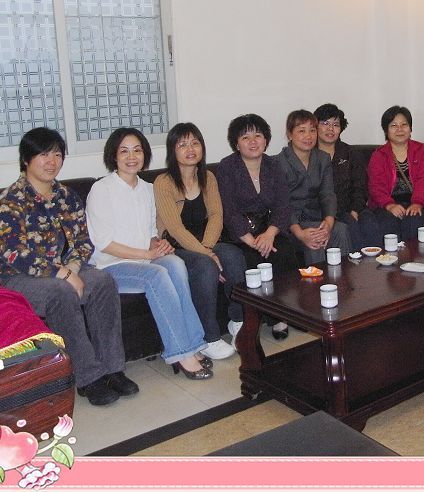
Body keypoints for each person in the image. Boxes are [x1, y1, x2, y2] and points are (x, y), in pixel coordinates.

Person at [0, 127, 137, 406]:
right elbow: (15, 254)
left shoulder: (66, 196)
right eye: (44, 155)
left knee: (103, 281)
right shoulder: (10, 202)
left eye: (57, 155)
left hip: (62, 270)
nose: (52, 161)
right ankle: (88, 377)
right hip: (13, 277)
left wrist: (74, 268)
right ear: (26, 160)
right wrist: (63, 274)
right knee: (61, 292)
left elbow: (83, 242)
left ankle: (112, 368)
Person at [86, 128, 212, 381]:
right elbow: (104, 243)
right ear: (113, 156)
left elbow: (151, 232)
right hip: (112, 266)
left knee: (175, 263)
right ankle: (181, 352)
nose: (131, 156)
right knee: (157, 276)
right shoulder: (102, 189)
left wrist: (158, 245)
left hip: (145, 259)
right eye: (124, 151)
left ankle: (195, 342)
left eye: (137, 150)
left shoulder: (147, 188)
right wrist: (147, 253)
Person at [154, 122, 246, 357]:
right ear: (172, 151)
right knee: (206, 266)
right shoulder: (163, 182)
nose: (190, 149)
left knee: (233, 256)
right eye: (182, 144)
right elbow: (175, 229)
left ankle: (238, 322)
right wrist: (207, 255)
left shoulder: (208, 177)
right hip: (176, 246)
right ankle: (209, 337)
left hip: (206, 240)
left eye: (195, 143)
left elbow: (216, 215)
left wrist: (208, 248)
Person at [217, 114, 300, 340]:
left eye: (258, 135)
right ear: (236, 143)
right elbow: (228, 209)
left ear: (266, 140)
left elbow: (283, 205)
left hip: (268, 229)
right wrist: (250, 240)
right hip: (238, 234)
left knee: (284, 252)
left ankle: (283, 314)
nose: (253, 142)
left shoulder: (274, 165)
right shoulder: (227, 167)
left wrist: (270, 233)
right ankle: (259, 318)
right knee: (252, 260)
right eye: (245, 137)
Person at [274, 109, 352, 264]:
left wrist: (328, 223)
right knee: (314, 236)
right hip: (291, 225)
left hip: (317, 218)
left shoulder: (322, 158)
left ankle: (344, 276)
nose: (308, 136)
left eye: (312, 130)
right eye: (301, 131)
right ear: (290, 134)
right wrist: (299, 233)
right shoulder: (277, 163)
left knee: (341, 229)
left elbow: (328, 194)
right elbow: (282, 204)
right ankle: (317, 279)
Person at [364, 105, 424, 243]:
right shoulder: (379, 155)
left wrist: (418, 203)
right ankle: (390, 256)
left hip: (416, 202)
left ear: (410, 128)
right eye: (394, 125)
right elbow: (376, 187)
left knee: (414, 221)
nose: (400, 129)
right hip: (386, 204)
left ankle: (413, 257)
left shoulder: (423, 151)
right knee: (388, 223)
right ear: (386, 130)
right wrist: (389, 205)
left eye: (404, 124)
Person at [313, 103, 373, 249]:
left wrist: (355, 209)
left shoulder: (350, 153)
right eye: (325, 123)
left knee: (369, 221)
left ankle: (378, 259)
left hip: (350, 208)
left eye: (335, 125)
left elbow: (359, 186)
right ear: (315, 126)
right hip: (323, 212)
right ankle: (356, 261)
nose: (330, 129)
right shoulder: (309, 154)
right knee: (349, 225)